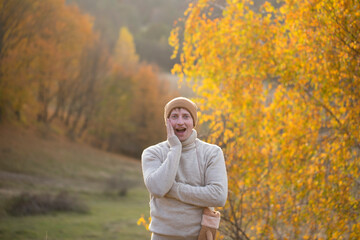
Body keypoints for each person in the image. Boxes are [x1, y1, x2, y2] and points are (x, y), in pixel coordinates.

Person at [141, 97, 228, 240]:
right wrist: (175, 148)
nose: (180, 122)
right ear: (167, 122)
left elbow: (218, 196)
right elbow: (157, 188)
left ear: (193, 122)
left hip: (199, 237)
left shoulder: (212, 153)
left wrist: (172, 189)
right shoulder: (152, 153)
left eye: (186, 116)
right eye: (174, 116)